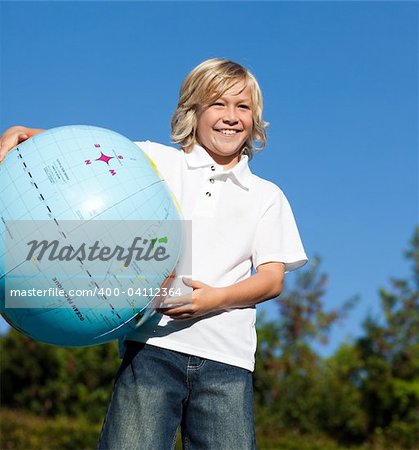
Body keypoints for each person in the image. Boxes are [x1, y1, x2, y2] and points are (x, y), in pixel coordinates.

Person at [0, 58, 308, 450]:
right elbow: (83, 158)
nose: (231, 117)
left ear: (255, 119)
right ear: (193, 111)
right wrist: (24, 133)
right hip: (151, 349)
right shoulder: (157, 161)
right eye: (218, 103)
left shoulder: (268, 196)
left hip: (228, 362)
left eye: (243, 107)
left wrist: (213, 299)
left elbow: (271, 278)